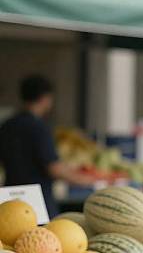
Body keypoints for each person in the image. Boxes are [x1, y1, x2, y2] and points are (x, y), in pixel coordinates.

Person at [0, 75, 95, 218]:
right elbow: (54, 169)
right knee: (42, 238)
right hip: (38, 203)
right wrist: (85, 180)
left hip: (10, 202)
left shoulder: (7, 126)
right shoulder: (39, 128)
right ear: (45, 98)